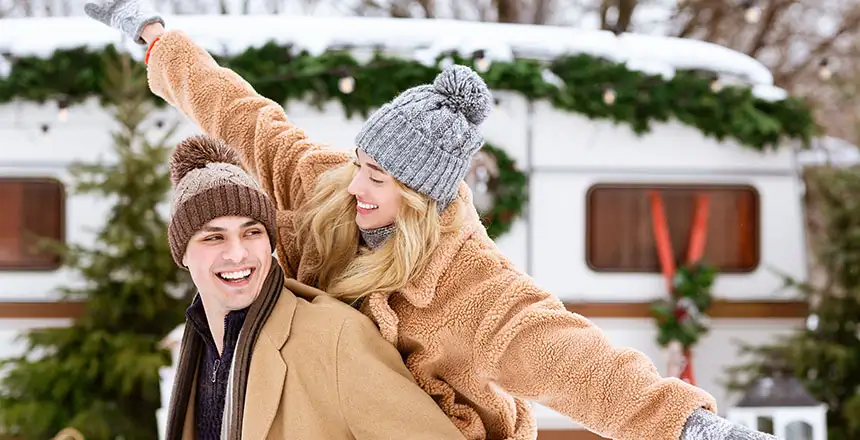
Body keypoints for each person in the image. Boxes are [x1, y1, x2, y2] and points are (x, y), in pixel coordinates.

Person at [85, 4, 777, 439]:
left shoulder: (469, 283)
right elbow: (239, 110)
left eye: (378, 180)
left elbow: (577, 359)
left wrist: (689, 425)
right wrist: (153, 39)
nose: (356, 186)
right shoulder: (326, 185)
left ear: (420, 198)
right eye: (360, 163)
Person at [160, 134, 467, 440]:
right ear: (182, 253)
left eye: (252, 232)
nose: (237, 253)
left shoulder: (336, 339)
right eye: (214, 237)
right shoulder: (199, 345)